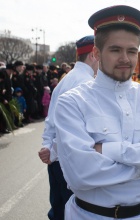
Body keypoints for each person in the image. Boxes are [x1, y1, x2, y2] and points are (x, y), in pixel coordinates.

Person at [54, 5, 140, 220]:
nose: (125, 58)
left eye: (131, 50)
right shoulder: (72, 102)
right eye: (115, 50)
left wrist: (108, 150)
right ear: (96, 53)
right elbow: (82, 174)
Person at [38, 35, 98, 220]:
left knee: (58, 210)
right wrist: (53, 150)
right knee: (73, 212)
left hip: (57, 159)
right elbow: (73, 129)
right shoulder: (86, 83)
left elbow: (51, 120)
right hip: (69, 160)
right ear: (94, 54)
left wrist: (48, 146)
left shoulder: (67, 78)